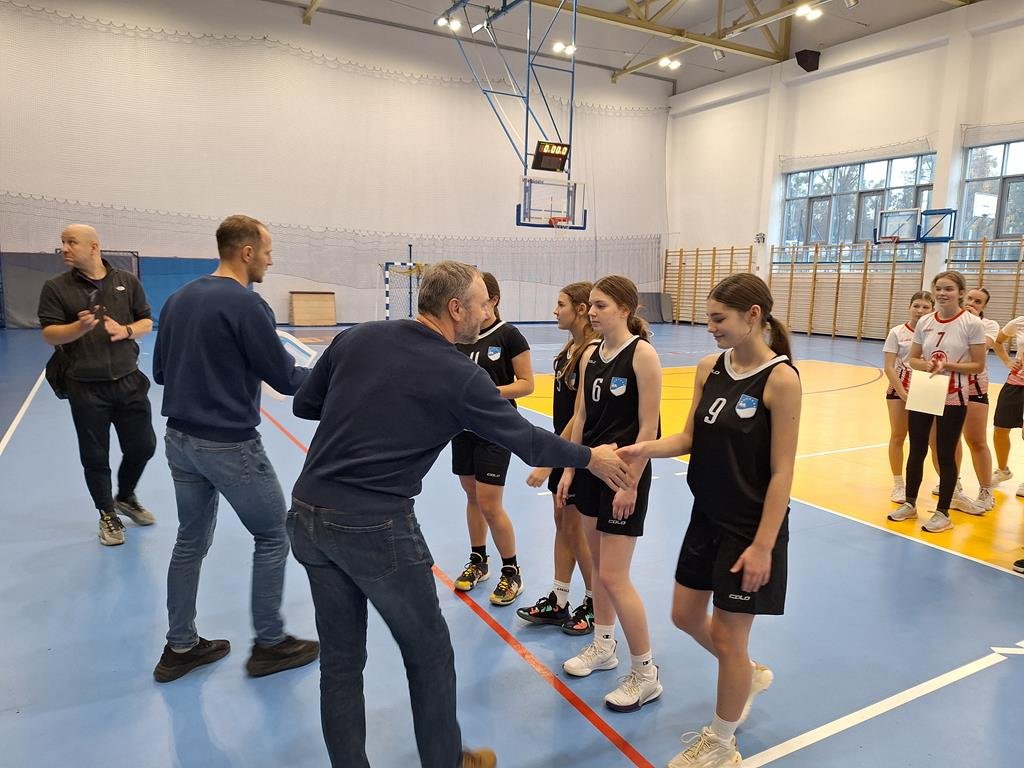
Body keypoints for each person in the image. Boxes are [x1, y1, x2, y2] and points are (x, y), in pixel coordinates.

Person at [287, 261, 628, 768]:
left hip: (307, 517)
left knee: (340, 662)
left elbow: (305, 405)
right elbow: (528, 442)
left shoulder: (357, 336)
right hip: (374, 525)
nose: (489, 312)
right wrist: (590, 457)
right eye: (483, 304)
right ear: (455, 308)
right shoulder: (461, 375)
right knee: (428, 654)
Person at [619, 272, 801, 768]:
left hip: (750, 529)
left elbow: (783, 471)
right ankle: (747, 673)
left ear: (753, 316)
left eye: (719, 319)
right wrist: (641, 449)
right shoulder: (708, 368)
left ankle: (722, 744)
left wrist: (763, 545)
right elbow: (688, 439)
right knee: (684, 616)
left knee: (728, 637)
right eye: (709, 318)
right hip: (706, 517)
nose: (710, 327)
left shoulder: (780, 380)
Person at [150, 214, 319, 683]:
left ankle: (180, 647)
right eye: (267, 251)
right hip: (228, 445)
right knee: (273, 534)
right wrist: (336, 379)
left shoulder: (178, 299)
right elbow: (284, 376)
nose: (270, 260)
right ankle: (270, 644)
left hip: (180, 441)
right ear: (247, 252)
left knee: (189, 541)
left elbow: (161, 372)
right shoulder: (248, 305)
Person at [558, 275, 664, 713]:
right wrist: (569, 468)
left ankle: (646, 673)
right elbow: (581, 417)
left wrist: (631, 483)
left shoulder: (643, 355)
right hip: (590, 469)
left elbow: (649, 428)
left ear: (624, 309)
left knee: (615, 576)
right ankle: (604, 645)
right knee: (600, 570)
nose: (592, 312)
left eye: (600, 305)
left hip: (623, 474)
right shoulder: (589, 355)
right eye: (590, 305)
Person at [37, 224, 157, 546]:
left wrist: (127, 330)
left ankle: (126, 496)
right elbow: (49, 333)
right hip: (86, 387)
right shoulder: (56, 287)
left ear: (93, 246)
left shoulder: (126, 281)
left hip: (129, 381)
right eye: (62, 242)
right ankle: (107, 513)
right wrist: (77, 328)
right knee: (95, 456)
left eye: (71, 242)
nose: (64, 248)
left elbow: (146, 321)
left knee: (143, 446)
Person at [521, 282, 599, 634]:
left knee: (577, 531)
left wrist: (550, 460)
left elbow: (578, 416)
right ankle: (559, 599)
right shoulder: (572, 348)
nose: (555, 310)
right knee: (563, 525)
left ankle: (595, 604)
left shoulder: (590, 352)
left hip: (576, 454)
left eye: (561, 304)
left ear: (580, 309)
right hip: (563, 449)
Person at [451, 273, 534, 606]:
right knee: (471, 496)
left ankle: (512, 572)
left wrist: (488, 394)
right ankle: (478, 561)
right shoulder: (461, 334)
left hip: (496, 430)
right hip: (463, 430)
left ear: (493, 300)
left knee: (489, 502)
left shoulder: (509, 335)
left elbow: (527, 384)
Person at [889, 271, 987, 532]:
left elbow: (978, 365)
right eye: (939, 289)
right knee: (917, 449)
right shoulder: (925, 322)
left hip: (954, 394)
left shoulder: (971, 323)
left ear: (961, 292)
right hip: (925, 389)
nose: (943, 293)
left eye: (949, 289)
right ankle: (909, 503)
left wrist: (948, 366)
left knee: (945, 452)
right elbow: (913, 359)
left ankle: (943, 512)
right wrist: (928, 365)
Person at [958, 287, 1009, 511]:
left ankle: (985, 491)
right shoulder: (950, 321)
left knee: (976, 440)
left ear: (984, 306)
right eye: (969, 298)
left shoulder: (988, 325)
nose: (972, 303)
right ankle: (953, 484)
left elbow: (983, 346)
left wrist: (970, 321)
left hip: (974, 386)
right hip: (948, 385)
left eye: (978, 301)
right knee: (949, 439)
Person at [882, 292, 933, 504]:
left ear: (932, 309)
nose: (920, 311)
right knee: (898, 435)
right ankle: (898, 484)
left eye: (925, 307)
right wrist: (903, 393)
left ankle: (949, 485)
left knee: (931, 440)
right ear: (909, 307)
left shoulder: (935, 332)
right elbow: (889, 366)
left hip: (927, 389)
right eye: (916, 306)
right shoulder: (897, 332)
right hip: (900, 389)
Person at [991, 314, 1024, 498]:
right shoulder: (1019, 322)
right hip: (1015, 383)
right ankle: (1003, 470)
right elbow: (998, 341)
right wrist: (1007, 361)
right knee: (1000, 429)